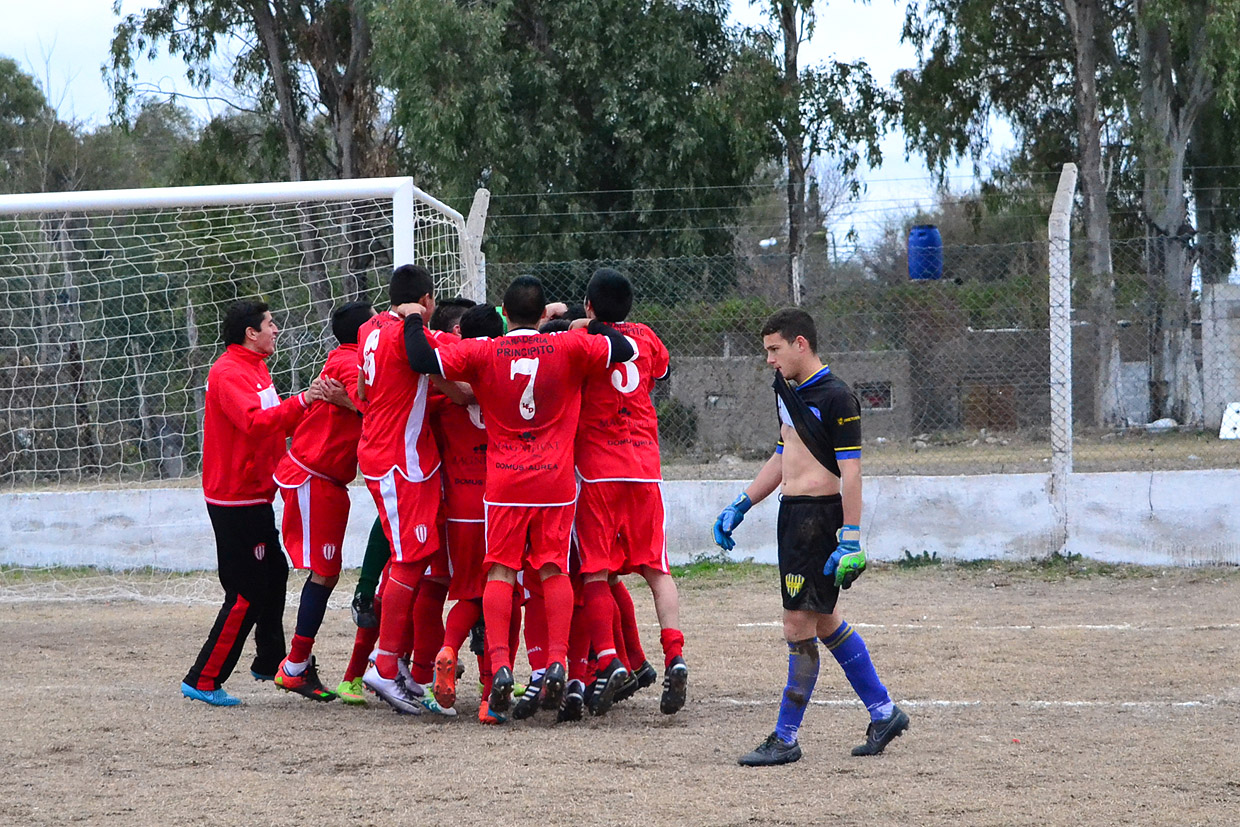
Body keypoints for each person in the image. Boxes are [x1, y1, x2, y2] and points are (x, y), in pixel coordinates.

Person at [403, 275, 635, 717]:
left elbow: (420, 358)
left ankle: (501, 665)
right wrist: (580, 325)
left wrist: (414, 319)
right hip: (554, 481)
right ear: (542, 310)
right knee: (552, 570)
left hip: (505, 482)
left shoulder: (484, 350)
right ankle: (558, 661)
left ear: (505, 315)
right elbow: (624, 349)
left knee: (500, 574)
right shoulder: (567, 347)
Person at [714, 308, 908, 766]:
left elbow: (852, 472)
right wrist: (741, 503)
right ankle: (884, 712)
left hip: (819, 522)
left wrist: (851, 537)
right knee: (823, 620)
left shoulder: (839, 397)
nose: (769, 360)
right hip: (791, 517)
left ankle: (785, 738)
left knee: (797, 626)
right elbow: (784, 455)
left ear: (801, 344)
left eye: (774, 350)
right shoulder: (786, 391)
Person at [180, 300, 347, 706]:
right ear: (250, 333)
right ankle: (203, 678)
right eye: (270, 324)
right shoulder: (228, 372)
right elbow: (255, 422)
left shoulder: (255, 366)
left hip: (255, 491)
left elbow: (272, 418)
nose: (276, 330)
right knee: (246, 591)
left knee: (274, 572)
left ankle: (270, 659)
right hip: (234, 497)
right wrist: (306, 401)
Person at [572, 268, 687, 716]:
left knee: (596, 571)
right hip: (644, 463)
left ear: (588, 306)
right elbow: (662, 369)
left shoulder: (587, 341)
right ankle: (675, 655)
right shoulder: (646, 336)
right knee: (657, 569)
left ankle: (609, 660)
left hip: (598, 468)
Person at [355, 264, 457, 714]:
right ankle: (384, 661)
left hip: (391, 452)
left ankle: (390, 663)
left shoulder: (370, 328)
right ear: (427, 301)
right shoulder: (409, 334)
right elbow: (436, 364)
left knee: (412, 557)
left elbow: (362, 385)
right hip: (399, 461)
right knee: (410, 559)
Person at [271, 301, 375, 703]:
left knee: (326, 573)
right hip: (314, 475)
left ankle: (295, 664)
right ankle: (293, 666)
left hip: (324, 479)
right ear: (364, 332)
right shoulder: (351, 366)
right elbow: (380, 412)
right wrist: (352, 403)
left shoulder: (347, 359)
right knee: (324, 571)